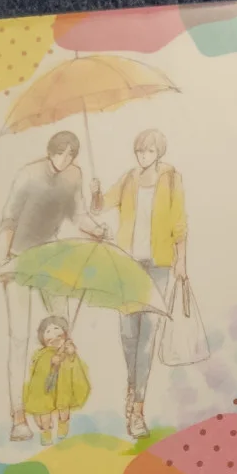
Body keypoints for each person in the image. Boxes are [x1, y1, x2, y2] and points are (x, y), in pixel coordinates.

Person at [0, 131, 107, 442]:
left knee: (63, 334)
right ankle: (18, 415)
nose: (65, 159)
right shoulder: (28, 174)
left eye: (71, 154)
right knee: (19, 337)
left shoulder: (75, 176)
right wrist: (3, 262)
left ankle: (60, 406)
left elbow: (78, 215)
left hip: (51, 257)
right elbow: (8, 220)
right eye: (60, 153)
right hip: (19, 258)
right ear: (50, 151)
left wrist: (97, 229)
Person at [91, 128, 188, 439]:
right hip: (128, 264)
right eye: (140, 151)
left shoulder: (171, 178)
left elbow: (179, 222)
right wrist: (95, 192)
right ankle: (133, 387)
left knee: (147, 338)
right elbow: (99, 207)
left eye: (149, 151)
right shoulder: (129, 179)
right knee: (127, 334)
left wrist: (181, 261)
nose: (143, 156)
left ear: (159, 152)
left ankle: (137, 409)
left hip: (159, 266)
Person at [22, 315, 91, 445]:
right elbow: (36, 371)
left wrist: (71, 354)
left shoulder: (67, 349)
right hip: (45, 390)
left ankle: (63, 424)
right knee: (44, 413)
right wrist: (51, 362)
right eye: (48, 331)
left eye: (56, 329)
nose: (53, 334)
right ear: (42, 337)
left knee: (64, 408)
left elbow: (74, 367)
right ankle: (46, 432)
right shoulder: (41, 353)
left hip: (63, 387)